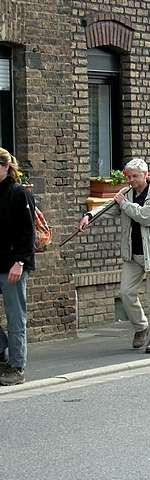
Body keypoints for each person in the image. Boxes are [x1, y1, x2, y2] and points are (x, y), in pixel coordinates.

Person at [79, 158, 150, 353]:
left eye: (135, 176)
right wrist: (90, 216)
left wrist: (125, 205)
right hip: (133, 253)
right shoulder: (126, 194)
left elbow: (147, 217)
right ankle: (141, 326)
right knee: (126, 293)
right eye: (128, 176)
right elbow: (109, 208)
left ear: (146, 175)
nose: (130, 180)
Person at [0, 149, 35, 385]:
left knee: (15, 317)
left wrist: (20, 262)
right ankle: (2, 351)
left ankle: (16, 366)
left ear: (5, 167)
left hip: (13, 265)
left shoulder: (18, 193)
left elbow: (27, 233)